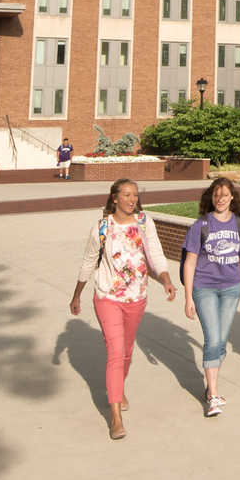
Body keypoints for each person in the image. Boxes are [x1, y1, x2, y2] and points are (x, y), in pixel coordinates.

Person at [69, 178, 175, 439]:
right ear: (114, 198)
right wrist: (77, 295)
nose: (132, 199)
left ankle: (118, 389)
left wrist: (165, 279)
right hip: (107, 298)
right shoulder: (102, 227)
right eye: (126, 194)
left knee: (127, 352)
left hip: (137, 298)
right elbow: (89, 261)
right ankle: (115, 417)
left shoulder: (144, 223)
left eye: (135, 195)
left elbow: (155, 254)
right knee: (116, 352)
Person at [181, 176, 240, 417]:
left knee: (221, 340)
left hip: (231, 288)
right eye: (216, 195)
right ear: (211, 197)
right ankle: (213, 394)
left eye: (225, 195)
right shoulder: (201, 225)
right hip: (204, 287)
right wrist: (188, 297)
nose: (220, 199)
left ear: (232, 198)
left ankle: (211, 383)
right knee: (213, 338)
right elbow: (190, 263)